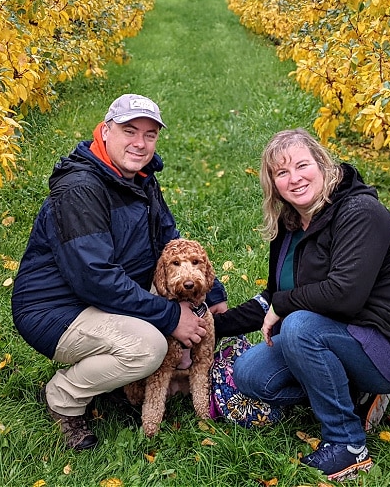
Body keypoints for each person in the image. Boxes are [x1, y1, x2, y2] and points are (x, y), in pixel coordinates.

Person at [212, 128, 390, 482]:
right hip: (336, 335)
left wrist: (283, 305)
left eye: (302, 165)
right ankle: (352, 391)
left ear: (322, 164)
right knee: (250, 374)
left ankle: (348, 444)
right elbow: (273, 296)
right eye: (282, 172)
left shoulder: (361, 213)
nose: (294, 178)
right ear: (273, 184)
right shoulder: (290, 225)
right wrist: (212, 326)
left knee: (299, 326)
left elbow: (344, 295)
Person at [12, 94, 228, 451]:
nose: (140, 143)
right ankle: (63, 398)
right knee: (149, 347)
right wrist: (171, 316)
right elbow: (94, 278)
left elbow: (168, 239)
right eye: (129, 131)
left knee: (163, 324)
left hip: (104, 297)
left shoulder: (140, 178)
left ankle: (112, 377)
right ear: (105, 130)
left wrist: (211, 294)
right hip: (57, 310)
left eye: (149, 134)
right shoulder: (80, 189)